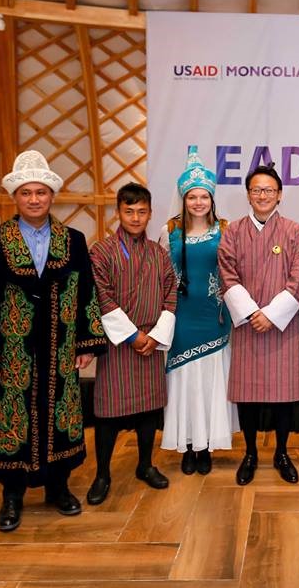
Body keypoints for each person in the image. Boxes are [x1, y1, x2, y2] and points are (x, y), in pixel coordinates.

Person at [0, 150, 107, 532]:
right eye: (26, 193)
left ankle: (58, 487)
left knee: (59, 412)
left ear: (51, 196)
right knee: (11, 414)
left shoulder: (74, 240)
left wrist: (85, 343)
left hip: (59, 346)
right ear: (15, 197)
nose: (34, 199)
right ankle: (11, 495)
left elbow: (85, 294)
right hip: (13, 348)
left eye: (40, 192)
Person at [217, 163, 299, 486]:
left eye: (268, 190)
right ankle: (250, 453)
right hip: (246, 325)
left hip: (281, 326)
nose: (262, 195)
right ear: (248, 194)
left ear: (280, 195)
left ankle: (282, 452)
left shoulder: (295, 232)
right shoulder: (232, 232)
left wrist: (271, 315)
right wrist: (251, 312)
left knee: (284, 395)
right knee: (248, 395)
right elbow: (227, 274)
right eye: (256, 190)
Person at [87, 182, 177, 505]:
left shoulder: (158, 254)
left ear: (150, 213)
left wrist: (155, 335)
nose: (136, 218)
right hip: (118, 345)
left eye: (142, 212)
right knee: (108, 412)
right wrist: (133, 335)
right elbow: (102, 296)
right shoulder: (101, 251)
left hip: (152, 343)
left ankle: (145, 465)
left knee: (150, 409)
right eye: (129, 211)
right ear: (118, 212)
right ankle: (102, 474)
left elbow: (170, 294)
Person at [159, 148, 238, 475]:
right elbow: (162, 274)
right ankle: (188, 445)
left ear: (212, 198)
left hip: (214, 317)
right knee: (184, 381)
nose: (198, 203)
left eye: (203, 196)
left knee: (210, 381)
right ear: (184, 199)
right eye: (192, 197)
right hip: (181, 318)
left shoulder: (226, 228)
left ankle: (206, 446)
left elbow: (235, 270)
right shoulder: (170, 231)